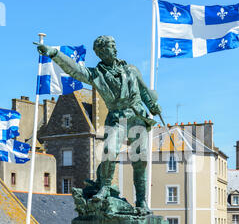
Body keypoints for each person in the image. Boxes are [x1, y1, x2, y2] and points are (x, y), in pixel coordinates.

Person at [36, 35, 162, 212]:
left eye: (114, 45)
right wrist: (55, 54)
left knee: (140, 160)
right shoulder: (97, 74)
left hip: (136, 116)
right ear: (101, 52)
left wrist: (153, 105)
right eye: (111, 46)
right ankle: (105, 187)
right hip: (117, 117)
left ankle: (141, 201)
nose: (115, 49)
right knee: (109, 150)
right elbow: (74, 70)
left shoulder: (131, 70)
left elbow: (145, 92)